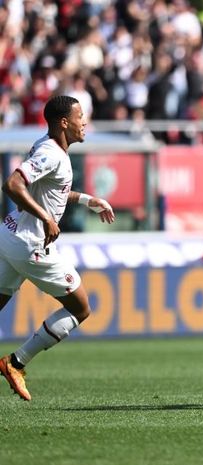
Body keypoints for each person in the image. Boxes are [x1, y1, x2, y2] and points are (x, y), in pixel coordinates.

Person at [0, 95, 115, 401]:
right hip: (31, 244)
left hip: (9, 234)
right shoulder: (52, 153)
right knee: (80, 307)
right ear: (64, 122)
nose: (85, 122)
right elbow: (12, 185)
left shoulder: (46, 146)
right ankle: (16, 362)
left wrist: (89, 200)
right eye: (81, 116)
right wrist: (46, 218)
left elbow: (54, 191)